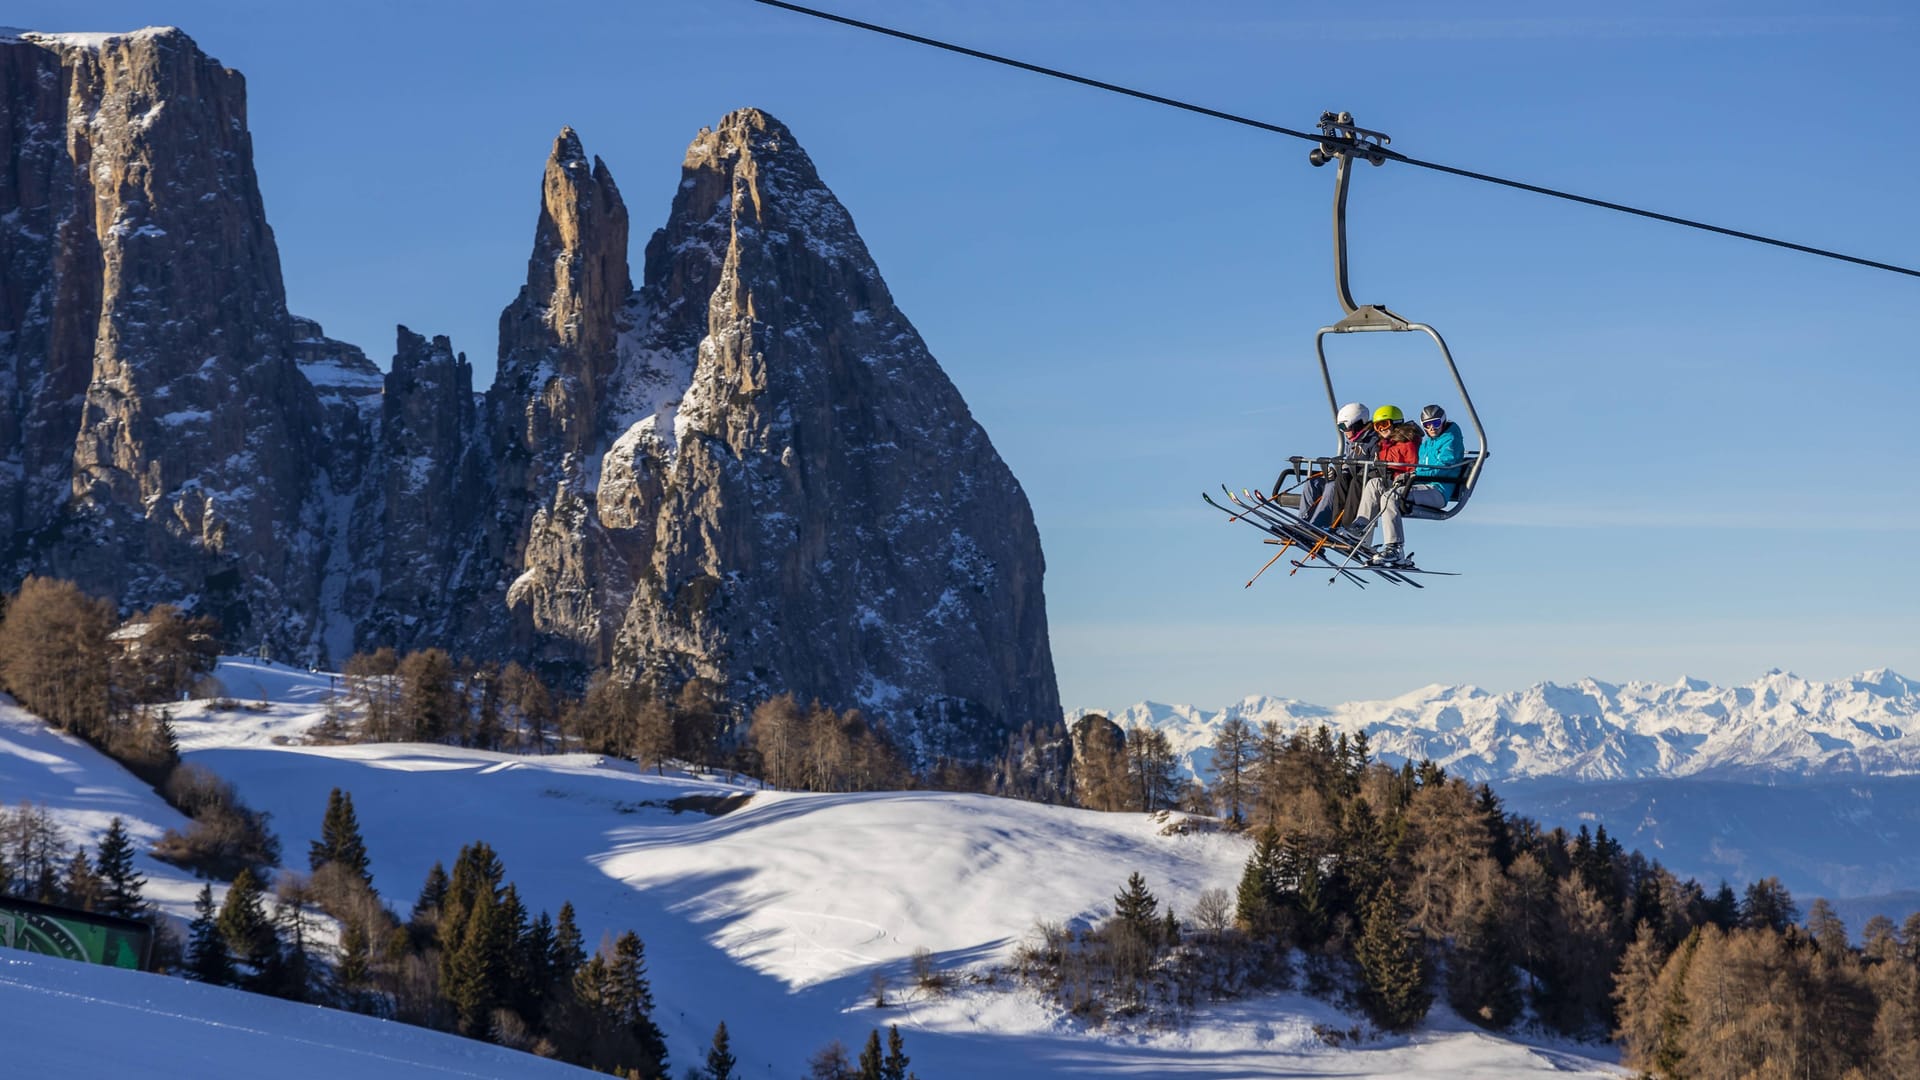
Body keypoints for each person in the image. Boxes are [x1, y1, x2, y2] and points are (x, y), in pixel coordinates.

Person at [1346, 405, 1422, 567]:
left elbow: (1414, 466)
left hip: (1405, 485)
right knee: (1373, 484)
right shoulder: (1385, 443)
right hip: (1390, 482)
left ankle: (1395, 548)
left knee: (1387, 496)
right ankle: (1361, 530)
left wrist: (1406, 477)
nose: (1381, 429)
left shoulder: (1407, 443)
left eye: (1385, 425)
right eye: (1377, 426)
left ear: (1396, 423)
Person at [1303, 402, 1378, 528]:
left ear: (1358, 424)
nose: (1344, 432)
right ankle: (1303, 523)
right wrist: (1336, 471)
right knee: (1312, 483)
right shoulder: (1352, 442)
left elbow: (1372, 465)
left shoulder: (1373, 440)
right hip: (1348, 478)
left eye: (1345, 427)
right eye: (1340, 428)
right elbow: (1348, 462)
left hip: (1361, 481)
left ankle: (1321, 525)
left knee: (1334, 486)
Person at [1410, 404, 1465, 513]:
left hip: (1439, 490)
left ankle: (1393, 531)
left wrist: (1416, 475)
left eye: (1436, 423)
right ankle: (1366, 528)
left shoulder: (1450, 440)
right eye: (1427, 425)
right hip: (1422, 486)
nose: (1432, 428)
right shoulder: (1426, 445)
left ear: (1443, 422)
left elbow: (1442, 468)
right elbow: (1419, 467)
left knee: (1392, 497)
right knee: (1382, 492)